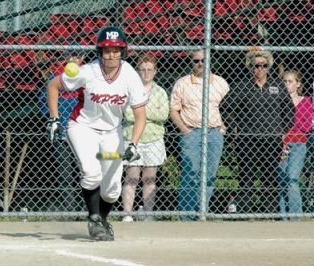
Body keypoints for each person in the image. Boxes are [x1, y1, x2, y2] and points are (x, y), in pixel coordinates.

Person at [46, 26, 147, 241]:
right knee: (92, 173)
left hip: (112, 133)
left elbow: (140, 115)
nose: (111, 55)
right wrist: (54, 119)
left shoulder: (129, 74)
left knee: (112, 189)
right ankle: (93, 218)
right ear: (99, 51)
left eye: (116, 50)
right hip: (83, 128)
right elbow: (53, 86)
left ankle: (101, 220)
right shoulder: (88, 71)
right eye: (106, 50)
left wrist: (133, 144)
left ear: (123, 51)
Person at [221, 50, 294, 214]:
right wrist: (234, 127)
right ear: (250, 67)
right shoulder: (242, 86)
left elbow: (289, 110)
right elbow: (225, 107)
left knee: (269, 177)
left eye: (264, 65)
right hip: (248, 140)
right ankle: (244, 213)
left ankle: (270, 212)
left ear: (268, 67)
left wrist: (283, 130)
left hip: (272, 139)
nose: (260, 69)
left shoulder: (277, 85)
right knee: (246, 177)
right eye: (256, 66)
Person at [170, 49, 230, 219]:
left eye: (204, 60)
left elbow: (229, 108)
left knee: (210, 175)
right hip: (192, 132)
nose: (200, 64)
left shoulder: (220, 83)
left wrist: (223, 128)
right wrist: (185, 130)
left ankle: (201, 213)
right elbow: (174, 109)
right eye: (196, 61)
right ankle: (186, 216)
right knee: (190, 172)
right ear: (192, 63)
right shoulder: (182, 83)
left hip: (214, 133)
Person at [122, 53, 169, 222]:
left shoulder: (160, 92)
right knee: (132, 177)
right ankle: (127, 213)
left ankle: (148, 213)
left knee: (150, 178)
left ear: (155, 71)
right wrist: (148, 113)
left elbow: (163, 115)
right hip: (133, 138)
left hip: (154, 139)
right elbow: (128, 114)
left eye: (150, 69)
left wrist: (140, 112)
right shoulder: (130, 90)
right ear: (138, 71)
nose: (146, 73)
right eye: (143, 69)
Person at [38, 52, 84, 211]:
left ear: (82, 58)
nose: (74, 59)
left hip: (82, 134)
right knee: (65, 175)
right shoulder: (56, 77)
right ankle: (70, 209)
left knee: (86, 171)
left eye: (77, 56)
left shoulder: (86, 76)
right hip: (61, 134)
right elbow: (44, 103)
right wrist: (54, 118)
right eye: (70, 56)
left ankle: (87, 209)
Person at [278, 71, 314, 217]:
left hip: (299, 143)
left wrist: (287, 124)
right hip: (281, 144)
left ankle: (296, 216)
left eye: (291, 81)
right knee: (281, 179)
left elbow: (306, 126)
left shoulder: (306, 101)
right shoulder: (278, 100)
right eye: (285, 81)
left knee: (292, 178)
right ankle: (282, 216)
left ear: (298, 84)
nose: (287, 84)